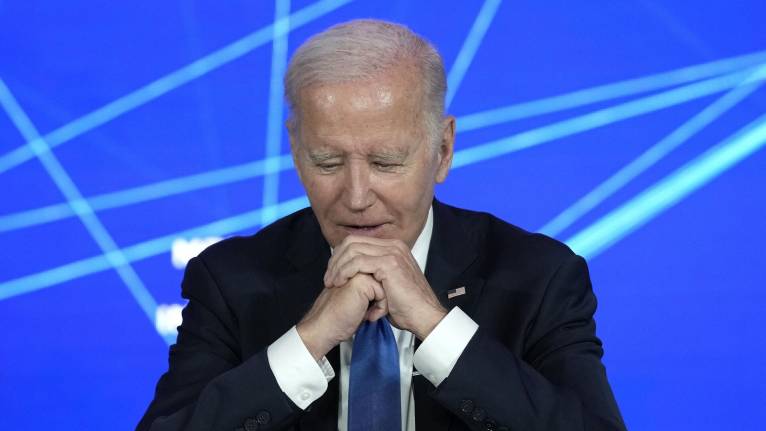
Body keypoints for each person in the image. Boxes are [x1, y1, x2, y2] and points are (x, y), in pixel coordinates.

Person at [137, 19, 626, 431]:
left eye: (386, 163)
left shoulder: (538, 277)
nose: (355, 198)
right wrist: (308, 340)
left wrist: (437, 327)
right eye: (327, 162)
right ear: (296, 150)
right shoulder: (231, 281)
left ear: (443, 149)